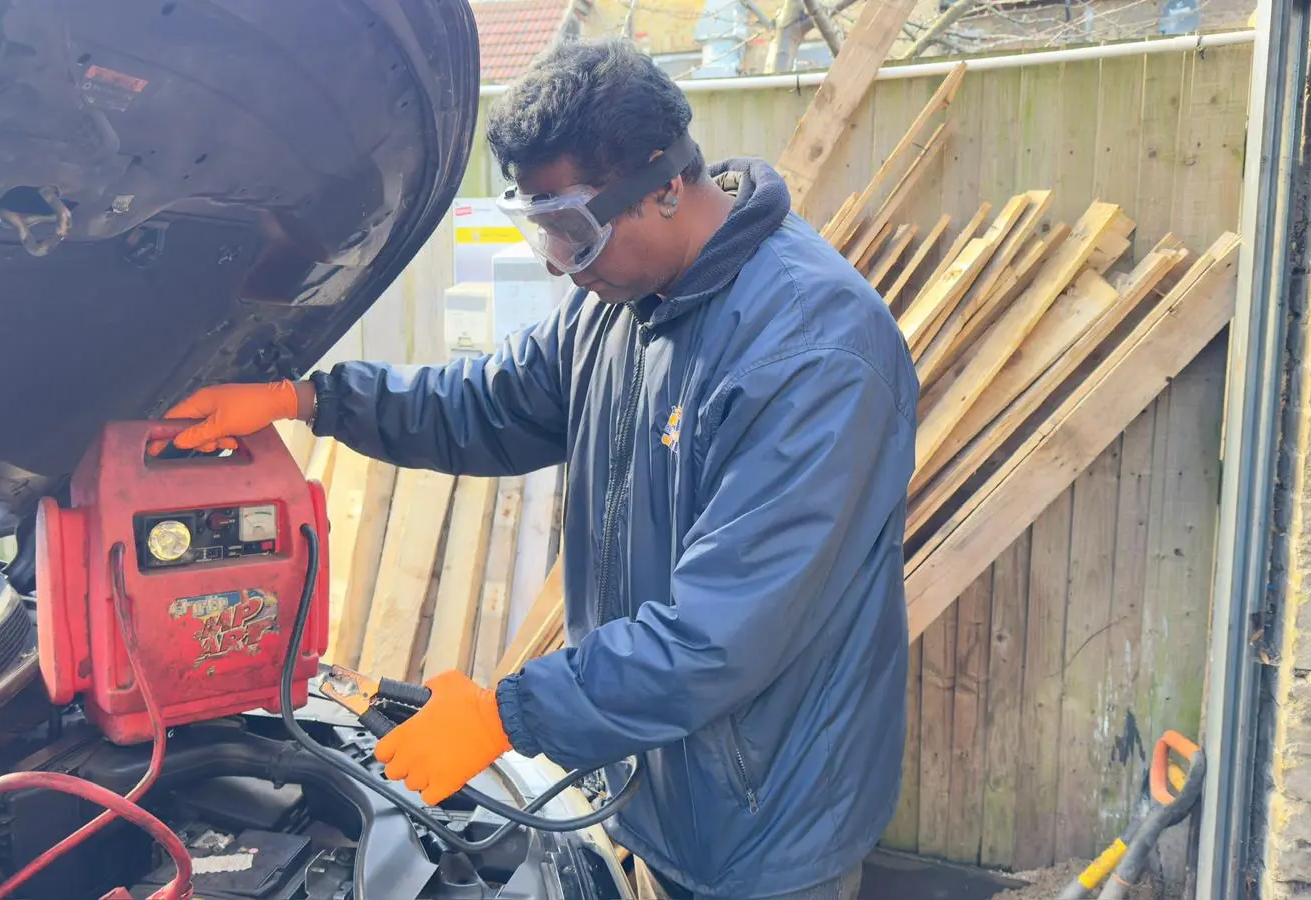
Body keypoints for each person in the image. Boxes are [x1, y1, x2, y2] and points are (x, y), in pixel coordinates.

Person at [155, 38, 918, 900]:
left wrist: (505, 714)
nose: (557, 262)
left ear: (666, 185)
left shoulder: (813, 351)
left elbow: (721, 634)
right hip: (662, 782)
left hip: (769, 814)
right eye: (541, 228)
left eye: (571, 230)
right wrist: (308, 402)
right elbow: (487, 403)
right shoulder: (622, 304)